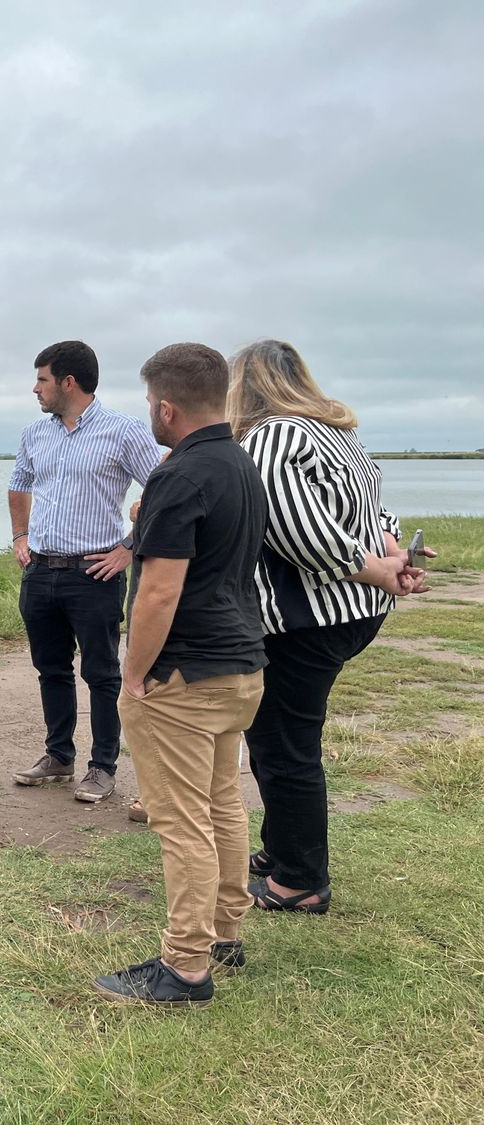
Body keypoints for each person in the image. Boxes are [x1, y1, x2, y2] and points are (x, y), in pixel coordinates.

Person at [93, 342, 267, 1007]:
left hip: (184, 674)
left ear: (167, 407)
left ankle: (186, 965)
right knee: (222, 799)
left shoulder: (181, 476)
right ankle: (224, 930)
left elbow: (159, 591)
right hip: (239, 666)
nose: (149, 416)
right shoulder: (240, 465)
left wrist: (132, 676)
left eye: (149, 405)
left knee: (181, 819)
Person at [230, 339, 427, 914]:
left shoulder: (272, 436)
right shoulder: (339, 435)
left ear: (245, 384)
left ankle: (300, 880)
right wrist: (393, 559)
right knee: (277, 737)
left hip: (305, 617)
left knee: (285, 743)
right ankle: (281, 847)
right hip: (352, 613)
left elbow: (296, 530)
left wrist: (376, 570)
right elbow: (377, 514)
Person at [7, 341, 161, 803]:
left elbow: (166, 488)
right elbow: (18, 485)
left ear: (68, 382)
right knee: (49, 668)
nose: (35, 389)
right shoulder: (36, 433)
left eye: (42, 379)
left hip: (94, 571)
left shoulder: (123, 431)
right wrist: (20, 537)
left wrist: (129, 548)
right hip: (41, 570)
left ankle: (102, 767)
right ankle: (58, 756)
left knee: (101, 673)